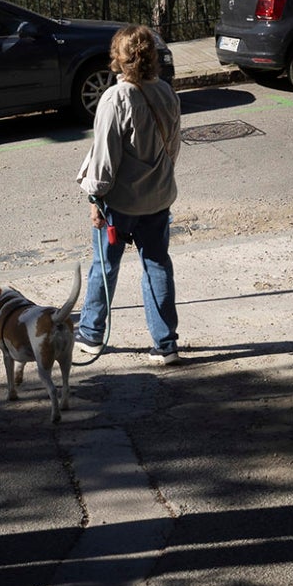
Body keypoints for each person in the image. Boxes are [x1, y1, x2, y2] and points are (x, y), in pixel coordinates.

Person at [74, 23, 182, 366]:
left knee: (104, 267)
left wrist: (95, 197)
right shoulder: (166, 92)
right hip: (158, 197)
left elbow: (105, 159)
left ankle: (91, 335)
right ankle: (165, 344)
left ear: (119, 59)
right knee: (157, 266)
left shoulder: (115, 98)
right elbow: (173, 148)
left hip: (119, 203)